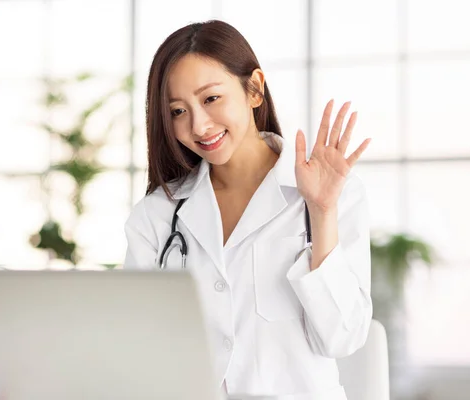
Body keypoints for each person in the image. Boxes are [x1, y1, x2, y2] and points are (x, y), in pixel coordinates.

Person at [123, 19, 372, 400]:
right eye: (177, 111)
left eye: (210, 99)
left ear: (254, 89)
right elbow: (136, 347)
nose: (199, 125)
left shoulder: (332, 193)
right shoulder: (157, 215)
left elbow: (343, 337)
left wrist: (321, 212)